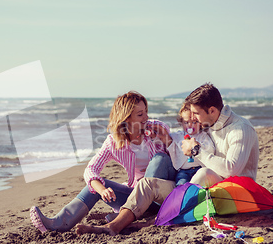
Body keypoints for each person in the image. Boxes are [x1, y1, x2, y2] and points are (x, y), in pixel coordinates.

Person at [76, 83, 259, 236]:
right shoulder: (210, 125)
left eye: (195, 114)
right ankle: (113, 227)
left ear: (211, 110)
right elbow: (177, 138)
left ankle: (154, 216)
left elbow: (231, 170)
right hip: (196, 189)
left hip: (230, 193)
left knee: (202, 172)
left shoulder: (239, 129)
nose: (191, 119)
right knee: (146, 184)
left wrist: (196, 150)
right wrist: (165, 139)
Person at [30, 91, 170, 233]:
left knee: (160, 159)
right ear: (126, 118)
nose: (146, 117)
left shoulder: (154, 131)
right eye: (140, 114)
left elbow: (167, 130)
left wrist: (158, 131)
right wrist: (102, 190)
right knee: (97, 185)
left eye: (146, 112)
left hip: (161, 199)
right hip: (135, 198)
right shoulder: (113, 143)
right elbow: (90, 169)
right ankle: (59, 223)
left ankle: (126, 216)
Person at [167, 103, 215, 186]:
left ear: (200, 123)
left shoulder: (203, 136)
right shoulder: (178, 135)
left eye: (194, 122)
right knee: (181, 185)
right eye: (186, 122)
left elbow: (210, 149)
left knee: (199, 186)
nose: (190, 125)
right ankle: (181, 197)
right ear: (181, 123)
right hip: (183, 171)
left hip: (199, 169)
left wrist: (198, 146)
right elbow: (167, 137)